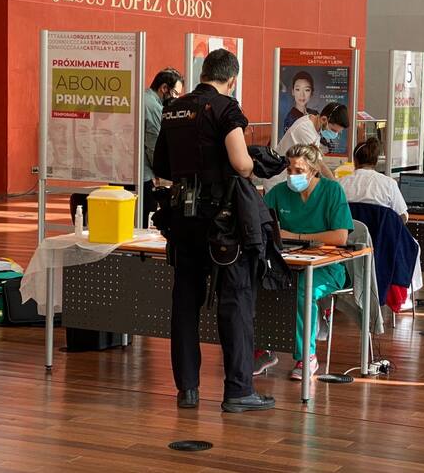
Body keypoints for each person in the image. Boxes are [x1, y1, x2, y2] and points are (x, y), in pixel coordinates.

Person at [152, 49, 275, 413]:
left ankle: (187, 390)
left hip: (182, 218)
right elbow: (240, 162)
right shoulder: (225, 108)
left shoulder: (173, 109)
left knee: (185, 302)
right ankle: (238, 390)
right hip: (223, 221)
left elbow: (162, 165)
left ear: (203, 72)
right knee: (235, 300)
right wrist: (255, 164)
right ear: (232, 79)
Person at [257, 144, 354, 379]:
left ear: (313, 170)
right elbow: (258, 219)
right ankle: (262, 349)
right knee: (257, 282)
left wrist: (296, 236)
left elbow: (340, 237)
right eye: (289, 170)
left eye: (299, 170)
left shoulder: (332, 191)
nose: (293, 176)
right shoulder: (279, 193)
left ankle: (306, 356)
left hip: (328, 267)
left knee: (302, 289)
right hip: (287, 264)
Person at [263, 102, 349, 192]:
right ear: (324, 119)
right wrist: (334, 183)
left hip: (289, 180)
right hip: (277, 182)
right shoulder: (305, 129)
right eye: (333, 130)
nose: (334, 134)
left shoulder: (315, 126)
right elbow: (318, 163)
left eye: (337, 132)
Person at [143, 68, 183, 228]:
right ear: (164, 88)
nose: (176, 98)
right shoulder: (154, 107)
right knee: (145, 217)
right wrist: (163, 172)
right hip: (143, 175)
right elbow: (154, 146)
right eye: (175, 93)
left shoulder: (143, 97)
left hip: (126, 171)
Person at [339, 138, 408, 223]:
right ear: (376, 161)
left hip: (347, 231)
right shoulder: (389, 184)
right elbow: (402, 216)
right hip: (381, 231)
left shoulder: (339, 184)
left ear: (355, 160)